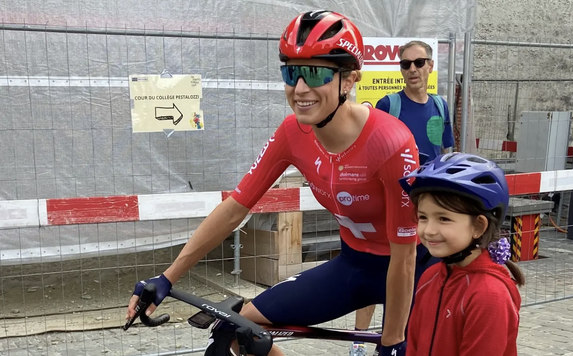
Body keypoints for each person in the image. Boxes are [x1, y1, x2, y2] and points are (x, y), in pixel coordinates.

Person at [126, 10, 439, 356]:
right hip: (353, 265)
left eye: (315, 73)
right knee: (237, 331)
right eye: (292, 72)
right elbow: (233, 210)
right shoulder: (292, 132)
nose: (300, 88)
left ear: (348, 80)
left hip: (416, 270)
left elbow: (405, 254)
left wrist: (393, 339)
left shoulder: (390, 141)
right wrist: (167, 277)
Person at [352, 40, 455, 354]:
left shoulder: (440, 106)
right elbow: (368, 155)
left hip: (427, 210)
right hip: (391, 208)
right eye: (405, 64)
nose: (412, 69)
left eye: (419, 62)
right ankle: (358, 344)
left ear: (430, 66)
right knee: (376, 280)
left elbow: (446, 153)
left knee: (414, 280)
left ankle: (401, 342)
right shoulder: (388, 105)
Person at [399, 152, 524, 356]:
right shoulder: (429, 277)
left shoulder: (489, 295)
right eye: (423, 217)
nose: (429, 230)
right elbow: (413, 346)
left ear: (478, 226)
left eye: (444, 219)